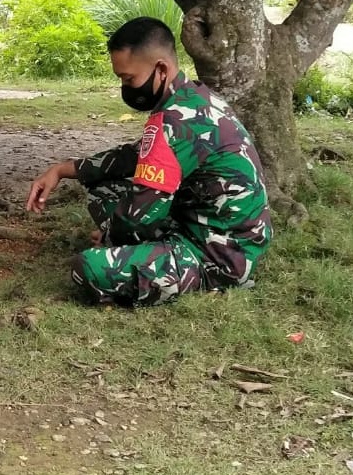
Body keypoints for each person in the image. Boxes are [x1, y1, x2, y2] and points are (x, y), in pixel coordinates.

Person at [26, 17, 272, 306]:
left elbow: (139, 216)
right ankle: (149, 253)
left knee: (89, 267)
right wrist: (63, 170)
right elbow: (133, 155)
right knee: (102, 188)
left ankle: (208, 279)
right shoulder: (193, 99)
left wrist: (107, 236)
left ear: (161, 69)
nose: (126, 87)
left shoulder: (173, 121)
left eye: (129, 79)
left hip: (217, 253)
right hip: (212, 228)